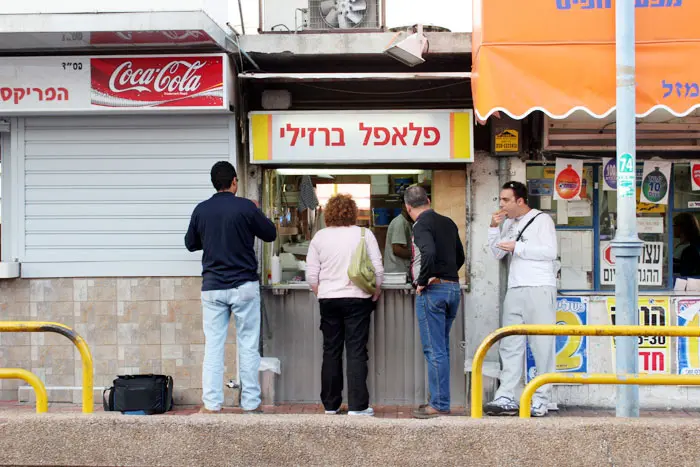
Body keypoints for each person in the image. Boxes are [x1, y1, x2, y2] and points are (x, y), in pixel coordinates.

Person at [185, 161, 277, 414]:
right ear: (234, 181)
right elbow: (270, 233)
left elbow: (190, 244)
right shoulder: (246, 207)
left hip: (213, 286)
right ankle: (250, 403)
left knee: (213, 346)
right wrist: (256, 214)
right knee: (248, 345)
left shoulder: (201, 210)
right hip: (244, 285)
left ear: (215, 183)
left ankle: (212, 404)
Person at [306, 194, 384, 416]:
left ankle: (330, 405)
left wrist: (322, 292)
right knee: (356, 351)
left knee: (331, 350)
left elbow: (312, 275)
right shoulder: (364, 234)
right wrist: (375, 293)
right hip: (358, 298)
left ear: (329, 213)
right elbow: (378, 270)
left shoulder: (319, 237)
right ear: (353, 212)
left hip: (329, 299)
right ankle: (358, 407)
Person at [484, 181, 557, 417]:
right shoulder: (509, 223)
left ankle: (541, 398)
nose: (501, 204)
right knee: (510, 344)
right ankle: (507, 395)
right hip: (515, 287)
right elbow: (497, 253)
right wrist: (493, 228)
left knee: (542, 345)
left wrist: (518, 247)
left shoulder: (541, 220)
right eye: (501, 199)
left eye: (506, 200)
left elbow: (550, 252)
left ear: (520, 201)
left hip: (539, 287)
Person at [404, 185, 464, 419]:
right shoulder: (448, 222)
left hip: (434, 292)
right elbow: (460, 256)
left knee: (434, 350)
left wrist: (423, 280)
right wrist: (447, 274)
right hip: (452, 289)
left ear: (408, 207)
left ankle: (439, 404)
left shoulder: (420, 225)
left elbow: (427, 253)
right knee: (442, 349)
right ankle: (440, 400)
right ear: (428, 200)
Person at [383, 203, 414, 276]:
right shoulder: (400, 222)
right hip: (396, 273)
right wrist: (416, 255)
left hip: (400, 272)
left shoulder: (407, 223)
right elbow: (397, 250)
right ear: (404, 206)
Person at [673, 213, 700, 277]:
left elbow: (685, 273)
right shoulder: (680, 244)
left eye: (674, 225)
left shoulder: (690, 249)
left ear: (682, 227)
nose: (673, 228)